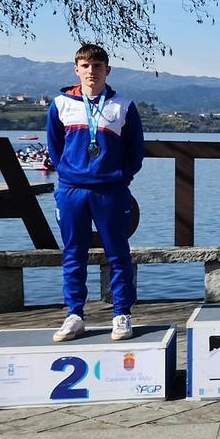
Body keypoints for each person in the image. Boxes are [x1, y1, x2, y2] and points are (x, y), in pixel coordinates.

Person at [45, 44, 145, 341]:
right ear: (76, 69)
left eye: (97, 66)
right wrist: (68, 174)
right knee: (73, 253)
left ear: (107, 70)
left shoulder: (123, 106)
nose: (92, 71)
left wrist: (120, 177)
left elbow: (135, 151)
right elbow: (55, 147)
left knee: (118, 253)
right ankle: (74, 314)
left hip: (110, 191)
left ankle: (122, 314)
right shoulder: (60, 104)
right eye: (85, 66)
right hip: (72, 191)